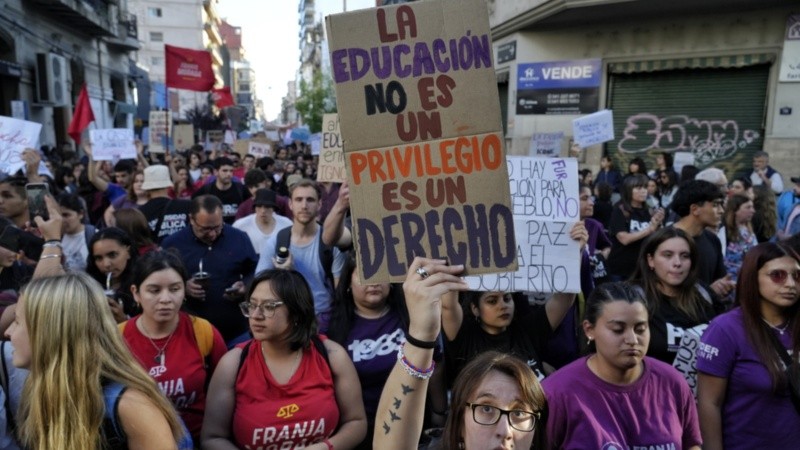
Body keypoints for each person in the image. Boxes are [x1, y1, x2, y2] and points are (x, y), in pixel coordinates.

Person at [6, 245, 187, 448]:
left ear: (51, 331)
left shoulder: (131, 406)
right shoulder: (41, 388)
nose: (8, 332)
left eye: (18, 321)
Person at [373, 258, 546, 450]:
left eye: (520, 412)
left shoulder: (523, 332)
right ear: (459, 425)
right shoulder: (465, 334)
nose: (505, 432)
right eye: (486, 408)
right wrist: (421, 335)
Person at [201, 269, 367, 449]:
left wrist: (324, 447)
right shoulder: (232, 364)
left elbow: (356, 422)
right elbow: (212, 438)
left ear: (296, 312)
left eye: (269, 307)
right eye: (252, 305)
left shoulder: (332, 356)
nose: (256, 315)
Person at [542, 282, 702, 449]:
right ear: (589, 329)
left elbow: (691, 444)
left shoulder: (672, 382)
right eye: (618, 330)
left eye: (640, 329)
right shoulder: (557, 392)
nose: (632, 340)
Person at [327, 251, 446, 449]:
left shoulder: (413, 315)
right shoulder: (331, 326)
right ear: (348, 282)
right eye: (365, 276)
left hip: (411, 426)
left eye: (379, 275)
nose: (374, 282)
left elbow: (436, 365)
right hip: (358, 433)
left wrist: (440, 413)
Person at [442, 222, 586, 381]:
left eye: (507, 298)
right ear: (475, 308)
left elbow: (564, 299)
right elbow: (448, 306)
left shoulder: (528, 330)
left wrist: (573, 251)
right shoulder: (465, 337)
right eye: (492, 301)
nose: (502, 305)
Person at [697, 242, 800, 449]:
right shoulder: (725, 329)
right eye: (777, 275)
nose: (790, 284)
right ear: (753, 278)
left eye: (797, 276)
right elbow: (709, 404)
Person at [120, 250, 227, 442]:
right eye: (154, 290)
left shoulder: (203, 332)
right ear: (136, 293)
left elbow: (225, 395)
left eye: (175, 289)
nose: (166, 299)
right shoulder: (117, 338)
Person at [162, 195, 258, 343]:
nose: (212, 234)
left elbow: (254, 269)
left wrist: (245, 285)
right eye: (205, 229)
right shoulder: (173, 244)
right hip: (190, 331)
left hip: (235, 329)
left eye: (217, 227)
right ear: (192, 220)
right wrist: (182, 286)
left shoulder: (239, 238)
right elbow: (161, 279)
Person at [256, 179, 345, 332]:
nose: (304, 206)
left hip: (323, 320)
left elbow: (340, 294)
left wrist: (294, 271)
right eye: (298, 200)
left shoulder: (331, 242)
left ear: (319, 204)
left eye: (310, 200)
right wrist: (281, 274)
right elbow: (259, 288)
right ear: (290, 204)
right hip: (286, 318)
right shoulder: (277, 241)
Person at [629, 227, 717, 364]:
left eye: (685, 256)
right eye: (668, 255)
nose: (677, 263)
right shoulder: (631, 297)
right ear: (650, 260)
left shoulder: (704, 295)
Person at [670, 179, 733, 297]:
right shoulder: (664, 241)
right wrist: (707, 292)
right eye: (715, 205)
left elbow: (719, 279)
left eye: (721, 205)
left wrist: (723, 286)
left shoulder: (712, 239)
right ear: (695, 209)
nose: (721, 211)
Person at [607, 174, 665, 280]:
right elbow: (624, 239)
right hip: (620, 269)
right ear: (629, 190)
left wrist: (659, 223)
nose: (643, 191)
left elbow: (657, 239)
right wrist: (649, 229)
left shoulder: (649, 211)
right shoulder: (620, 210)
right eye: (638, 188)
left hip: (642, 269)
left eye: (645, 187)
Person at [87, 227, 138, 322]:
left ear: (128, 252)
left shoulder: (142, 284)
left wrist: (124, 320)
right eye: (99, 258)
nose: (106, 264)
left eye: (112, 255)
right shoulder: (89, 286)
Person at [138, 165, 191, 243]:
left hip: (156, 254)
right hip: (184, 253)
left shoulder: (140, 213)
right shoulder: (187, 206)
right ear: (167, 185)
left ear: (147, 187)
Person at [232, 188, 291, 255]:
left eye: (267, 207)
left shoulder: (286, 224)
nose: (263, 211)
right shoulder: (241, 225)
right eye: (259, 206)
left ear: (273, 208)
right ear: (255, 208)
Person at [192, 157, 250, 224]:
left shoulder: (241, 189)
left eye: (231, 171)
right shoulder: (206, 190)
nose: (229, 174)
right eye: (225, 171)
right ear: (216, 172)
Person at [56, 192, 95, 272]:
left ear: (80, 214)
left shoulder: (93, 235)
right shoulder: (55, 238)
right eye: (58, 215)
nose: (62, 220)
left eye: (66, 215)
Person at [724, 194, 757, 284]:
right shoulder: (724, 231)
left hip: (748, 279)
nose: (753, 211)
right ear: (735, 210)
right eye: (748, 207)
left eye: (752, 207)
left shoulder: (749, 231)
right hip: (730, 281)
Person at [776, 175, 800, 240]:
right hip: (783, 246)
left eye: (798, 186)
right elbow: (782, 225)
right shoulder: (793, 207)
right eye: (795, 185)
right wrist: (779, 232)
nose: (794, 188)